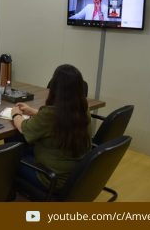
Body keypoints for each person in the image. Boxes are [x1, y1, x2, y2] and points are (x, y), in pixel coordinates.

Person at [8, 64, 92, 192]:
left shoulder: (50, 115)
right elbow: (60, 118)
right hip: (75, 175)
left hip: (50, 178)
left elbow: (23, 127)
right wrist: (33, 111)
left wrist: (15, 113)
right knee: (23, 147)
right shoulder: (83, 108)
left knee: (7, 158)